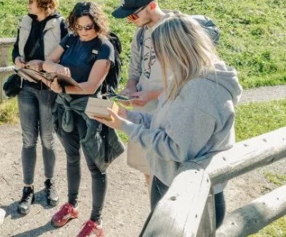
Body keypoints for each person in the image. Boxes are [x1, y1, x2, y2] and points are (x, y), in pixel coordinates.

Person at [94, 12, 242, 229]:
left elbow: (175, 148)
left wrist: (124, 126)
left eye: (160, 52)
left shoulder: (199, 94)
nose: (159, 59)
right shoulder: (188, 77)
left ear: (176, 50)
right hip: (169, 179)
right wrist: (130, 116)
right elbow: (167, 122)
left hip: (189, 195)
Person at [28, 1, 114, 237]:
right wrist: (55, 68)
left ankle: (96, 221)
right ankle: (72, 206)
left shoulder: (105, 47)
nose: (85, 32)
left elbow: (91, 86)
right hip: (66, 108)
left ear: (97, 24)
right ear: (74, 25)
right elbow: (47, 61)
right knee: (72, 157)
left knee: (96, 167)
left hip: (91, 110)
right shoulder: (71, 39)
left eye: (89, 27)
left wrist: (60, 87)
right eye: (80, 27)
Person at [11, 0, 68, 215]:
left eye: (32, 1)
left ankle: (50, 182)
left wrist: (47, 69)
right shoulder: (25, 21)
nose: (28, 5)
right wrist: (16, 58)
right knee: (28, 139)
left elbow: (66, 54)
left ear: (44, 2)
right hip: (26, 85)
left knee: (47, 139)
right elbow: (17, 47)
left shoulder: (60, 25)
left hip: (47, 88)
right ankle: (27, 189)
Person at [110, 0, 167, 190]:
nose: (130, 21)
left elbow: (188, 79)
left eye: (133, 16)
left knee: (168, 173)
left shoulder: (174, 31)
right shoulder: (141, 34)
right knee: (148, 170)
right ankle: (155, 214)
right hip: (143, 112)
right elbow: (135, 70)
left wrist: (152, 94)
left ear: (152, 6)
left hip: (169, 113)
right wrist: (130, 88)